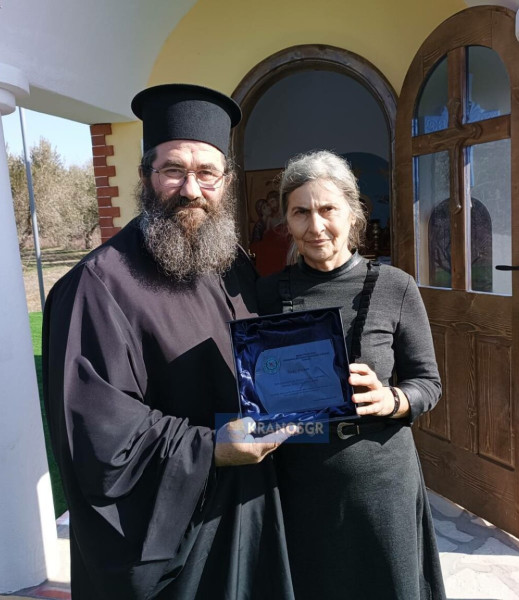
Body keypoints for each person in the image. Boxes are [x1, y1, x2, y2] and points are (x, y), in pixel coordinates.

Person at [42, 84, 295, 600]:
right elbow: (98, 438)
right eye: (173, 170)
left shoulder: (229, 261)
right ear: (145, 177)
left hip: (248, 507)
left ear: (226, 182)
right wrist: (212, 448)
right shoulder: (96, 286)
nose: (191, 189)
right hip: (175, 540)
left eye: (207, 174)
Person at [256, 150, 447, 600]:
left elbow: (428, 383)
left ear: (353, 213)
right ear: (286, 219)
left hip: (381, 484)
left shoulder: (396, 286)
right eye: (300, 212)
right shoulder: (266, 293)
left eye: (328, 209)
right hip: (301, 485)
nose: (315, 226)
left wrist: (392, 400)